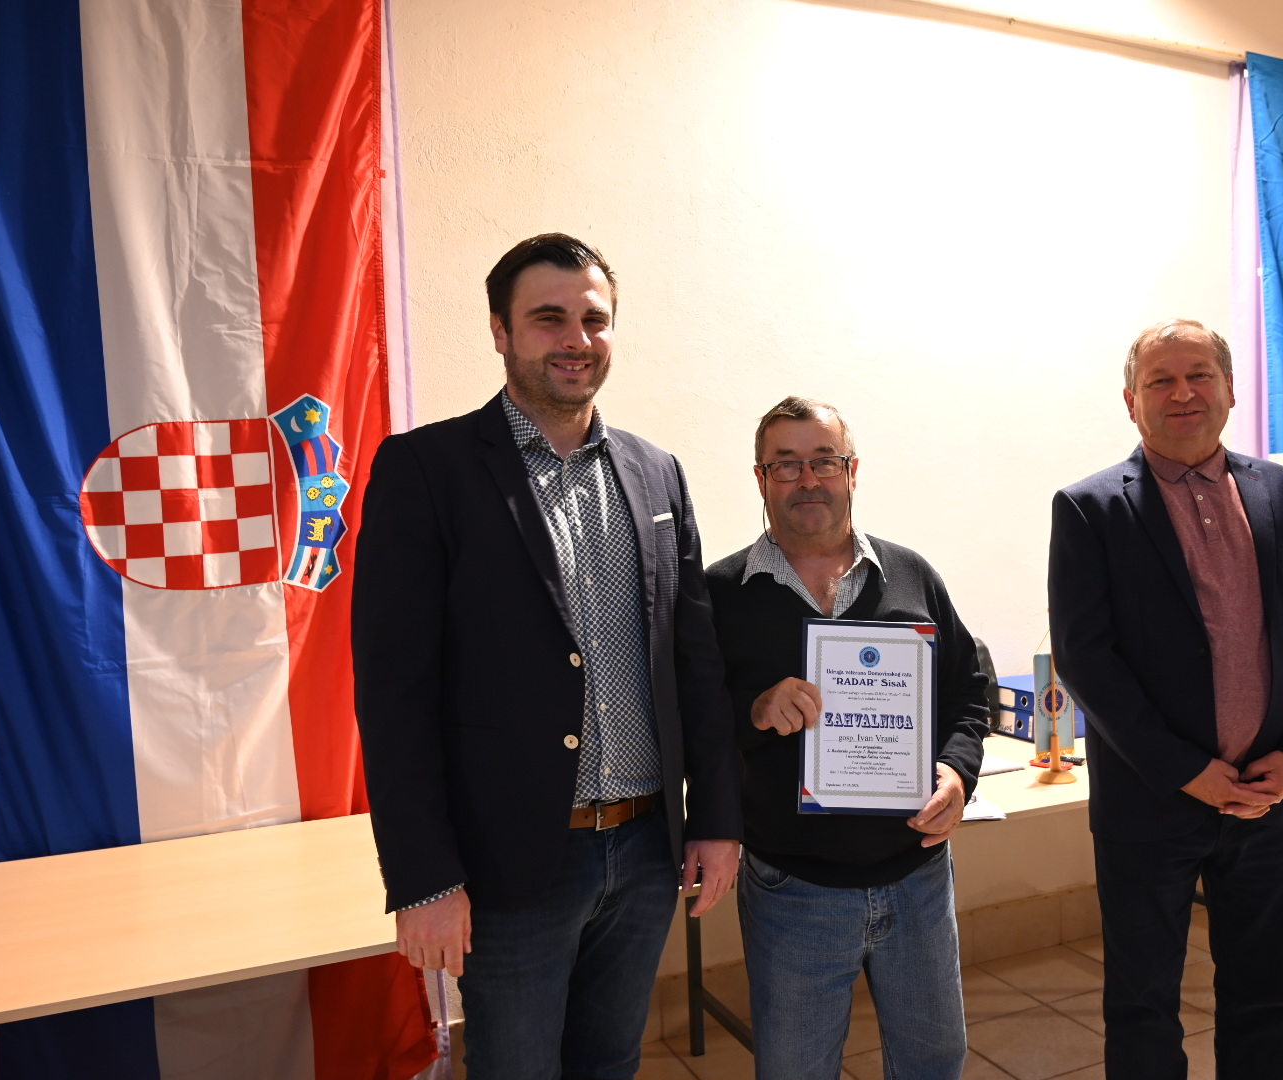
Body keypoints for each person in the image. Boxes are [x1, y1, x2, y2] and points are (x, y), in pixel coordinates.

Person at [352, 233, 741, 1079]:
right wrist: (423, 879)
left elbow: (695, 666)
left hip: (645, 851)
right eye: (548, 318)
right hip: (512, 862)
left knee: (610, 1064)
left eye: (594, 320)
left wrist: (715, 820)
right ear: (500, 331)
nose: (576, 339)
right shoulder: (427, 469)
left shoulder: (657, 473)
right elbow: (393, 695)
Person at [1048, 319, 1283, 1079]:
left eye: (1199, 375)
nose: (1181, 392)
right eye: (1160, 380)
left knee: (1266, 999)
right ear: (1132, 401)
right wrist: (1186, 770)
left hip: (1270, 799)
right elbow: (1087, 659)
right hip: (1151, 803)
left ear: (1229, 389)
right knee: (1143, 1006)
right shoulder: (1090, 508)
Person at [704, 396, 988, 1080]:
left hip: (917, 875)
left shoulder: (912, 575)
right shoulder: (720, 593)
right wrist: (753, 709)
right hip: (792, 888)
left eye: (824, 461)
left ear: (852, 471)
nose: (808, 479)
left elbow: (967, 691)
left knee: (933, 1063)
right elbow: (691, 722)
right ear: (761, 478)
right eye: (786, 464)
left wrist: (957, 771)